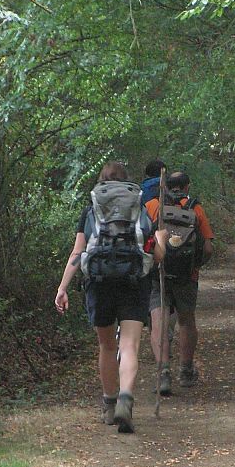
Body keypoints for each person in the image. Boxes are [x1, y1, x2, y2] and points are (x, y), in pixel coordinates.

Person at [55, 161, 166, 434]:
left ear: (101, 182)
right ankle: (126, 398)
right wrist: (161, 238)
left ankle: (109, 403)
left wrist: (62, 288)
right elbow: (157, 255)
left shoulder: (91, 210)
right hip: (133, 282)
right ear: (125, 181)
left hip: (99, 281)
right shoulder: (138, 209)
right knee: (129, 344)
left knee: (106, 345)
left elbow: (77, 253)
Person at [145, 170, 214, 394]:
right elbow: (208, 247)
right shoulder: (195, 207)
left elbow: (143, 240)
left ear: (165, 187)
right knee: (186, 321)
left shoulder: (153, 206)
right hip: (187, 276)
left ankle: (163, 373)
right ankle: (185, 371)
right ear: (187, 187)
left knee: (159, 322)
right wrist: (195, 266)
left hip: (158, 274)